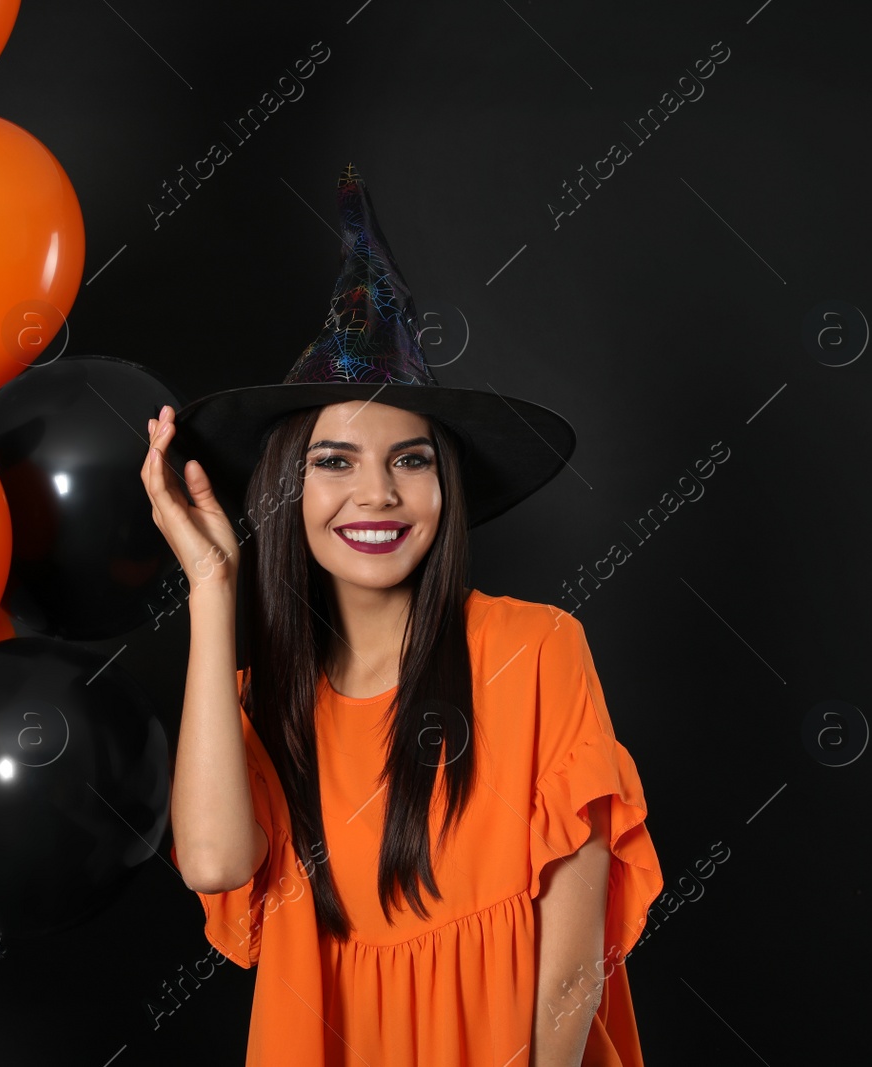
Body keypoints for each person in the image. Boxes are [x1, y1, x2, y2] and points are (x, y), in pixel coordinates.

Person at [140, 164, 663, 1066]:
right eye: (335, 462)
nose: (376, 494)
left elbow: (573, 974)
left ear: (445, 485)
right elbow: (215, 863)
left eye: (410, 460)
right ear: (287, 491)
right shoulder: (259, 704)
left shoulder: (535, 650)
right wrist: (212, 585)